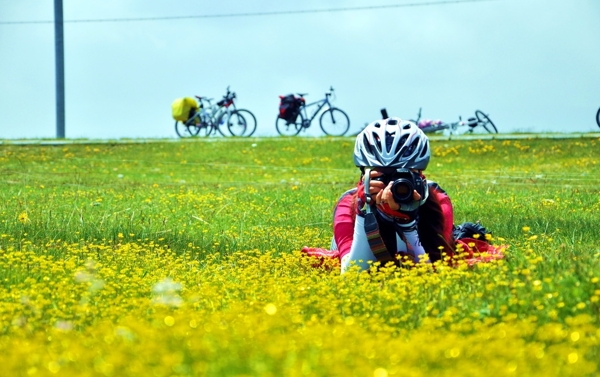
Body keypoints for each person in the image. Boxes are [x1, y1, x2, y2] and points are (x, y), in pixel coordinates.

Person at [301, 117, 503, 273]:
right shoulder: (349, 203)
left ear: (419, 174)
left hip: (419, 244)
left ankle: (464, 232)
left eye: (402, 175)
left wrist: (407, 220)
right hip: (361, 245)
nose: (393, 185)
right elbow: (353, 271)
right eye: (382, 175)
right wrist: (365, 210)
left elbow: (430, 268)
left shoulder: (437, 198)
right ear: (364, 174)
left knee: (459, 242)